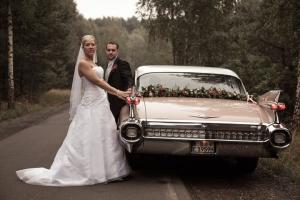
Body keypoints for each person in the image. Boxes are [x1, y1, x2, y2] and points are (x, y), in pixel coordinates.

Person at [16, 35, 131, 186]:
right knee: (88, 137)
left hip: (102, 103)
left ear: (96, 46)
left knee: (105, 135)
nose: (91, 47)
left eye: (93, 44)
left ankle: (110, 171)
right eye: (87, 45)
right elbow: (97, 81)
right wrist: (117, 92)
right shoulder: (82, 64)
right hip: (90, 104)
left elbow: (102, 82)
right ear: (83, 48)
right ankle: (88, 171)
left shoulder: (94, 62)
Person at [104, 41, 133, 124]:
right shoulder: (107, 64)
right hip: (106, 100)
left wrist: (128, 90)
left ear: (117, 51)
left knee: (115, 126)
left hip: (117, 102)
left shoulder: (122, 64)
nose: (110, 52)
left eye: (113, 50)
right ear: (106, 51)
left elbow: (128, 79)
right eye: (108, 50)